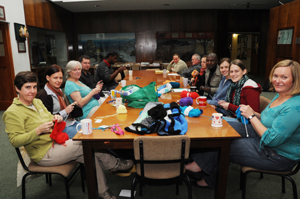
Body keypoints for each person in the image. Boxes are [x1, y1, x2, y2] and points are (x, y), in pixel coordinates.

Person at [3, 71, 133, 199]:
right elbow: (15, 141)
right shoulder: (13, 112)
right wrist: (37, 131)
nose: (32, 91)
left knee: (89, 153)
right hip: (43, 153)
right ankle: (115, 165)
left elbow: (49, 117)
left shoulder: (36, 102)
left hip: (55, 142)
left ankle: (103, 189)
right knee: (85, 145)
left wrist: (56, 118)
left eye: (34, 87)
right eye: (27, 87)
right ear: (17, 89)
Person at [185, 59, 300, 189]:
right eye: (275, 76)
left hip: (277, 155)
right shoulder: (281, 95)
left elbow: (271, 140)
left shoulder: (295, 106)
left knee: (224, 144)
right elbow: (270, 120)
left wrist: (251, 116)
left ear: (295, 80)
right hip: (263, 136)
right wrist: (254, 114)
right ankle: (200, 164)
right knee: (220, 128)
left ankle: (208, 177)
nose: (278, 80)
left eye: (284, 77)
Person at [37, 64, 79, 139]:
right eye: (55, 78)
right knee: (82, 134)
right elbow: (47, 119)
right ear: (48, 78)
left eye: (60, 78)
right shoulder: (44, 96)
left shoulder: (58, 91)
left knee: (88, 127)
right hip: (56, 128)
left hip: (67, 122)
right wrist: (65, 111)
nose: (58, 81)